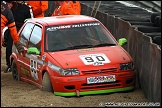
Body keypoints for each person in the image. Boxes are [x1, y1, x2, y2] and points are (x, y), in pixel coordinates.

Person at [2, 1, 31, 73]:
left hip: (18, 29)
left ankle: (10, 65)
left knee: (9, 47)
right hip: (20, 30)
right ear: (9, 3)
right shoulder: (9, 12)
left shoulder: (9, 10)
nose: (11, 6)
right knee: (18, 47)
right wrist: (17, 42)